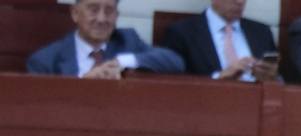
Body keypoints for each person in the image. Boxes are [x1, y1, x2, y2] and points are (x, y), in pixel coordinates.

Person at [27, 0, 184, 77]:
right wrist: (82, 84)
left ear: (117, 16)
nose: (102, 19)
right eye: (93, 10)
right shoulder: (44, 61)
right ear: (75, 13)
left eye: (109, 11)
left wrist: (121, 62)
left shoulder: (127, 40)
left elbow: (175, 61)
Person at [162, 0, 278, 82]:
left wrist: (270, 77)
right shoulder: (183, 32)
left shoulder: (261, 32)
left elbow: (278, 79)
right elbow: (172, 82)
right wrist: (218, 78)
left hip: (256, 105)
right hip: (207, 106)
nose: (240, 1)